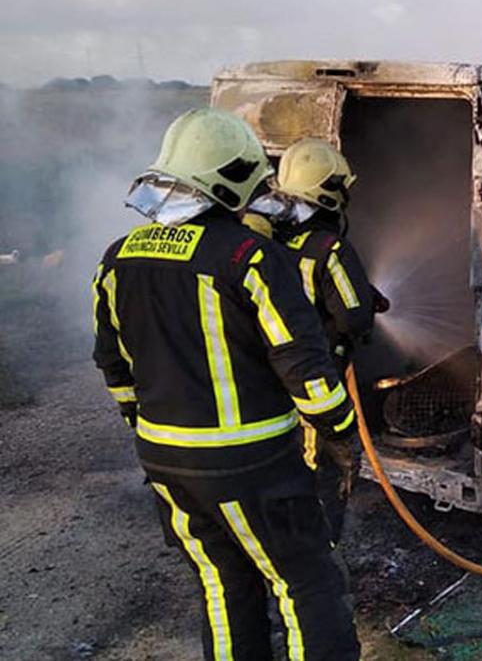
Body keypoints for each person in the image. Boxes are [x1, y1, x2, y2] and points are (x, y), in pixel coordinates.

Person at [92, 108, 360, 660]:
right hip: (253, 463)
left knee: (222, 584)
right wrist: (340, 430)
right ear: (232, 181)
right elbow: (305, 367)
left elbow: (114, 366)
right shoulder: (248, 257)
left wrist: (145, 423)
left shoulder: (118, 258)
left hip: (166, 463)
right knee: (305, 583)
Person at [246, 137, 385, 544]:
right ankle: (318, 552)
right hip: (316, 379)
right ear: (328, 191)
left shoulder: (265, 243)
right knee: (324, 467)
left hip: (267, 380)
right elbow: (354, 316)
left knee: (279, 464)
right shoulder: (330, 248)